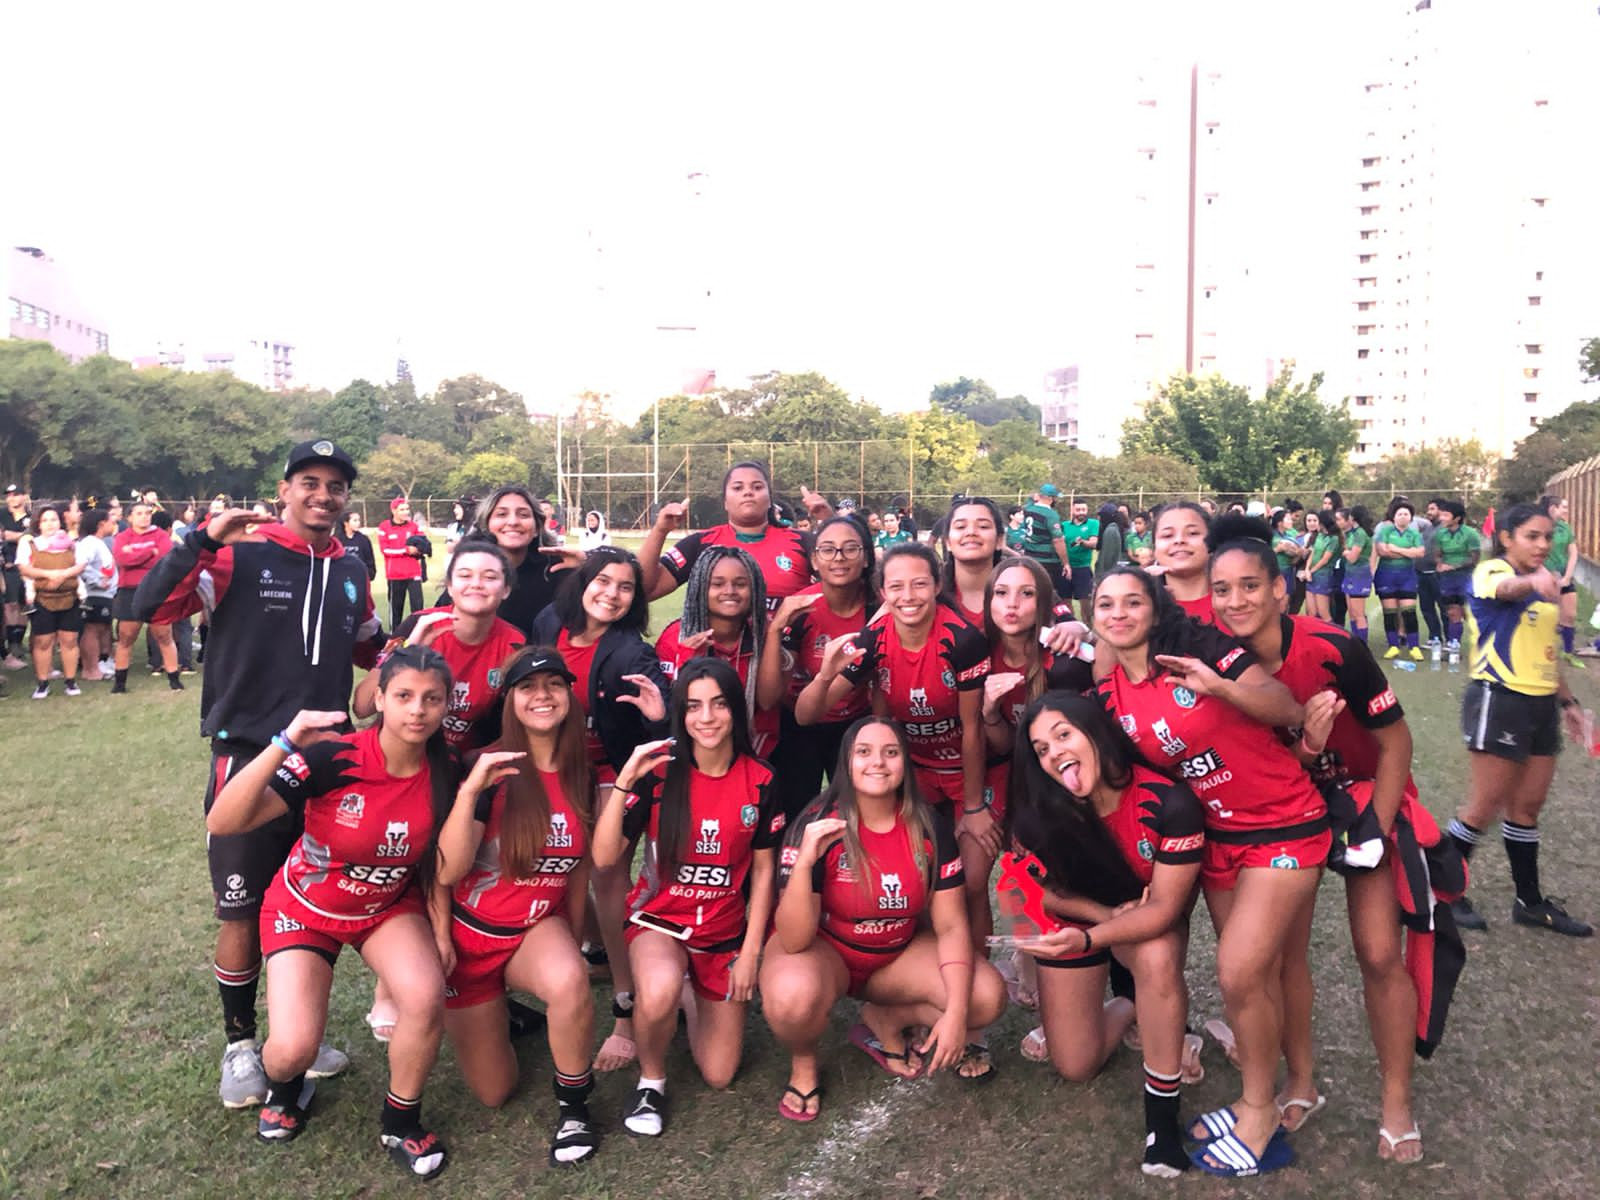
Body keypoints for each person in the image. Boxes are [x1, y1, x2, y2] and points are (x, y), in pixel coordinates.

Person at [134, 439, 380, 1108]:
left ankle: (296, 1032)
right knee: (241, 904)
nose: (322, 494)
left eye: (335, 485)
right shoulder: (236, 554)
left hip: (329, 761)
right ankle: (240, 1044)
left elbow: (368, 646)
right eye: (310, 481)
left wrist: (424, 645)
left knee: (314, 897)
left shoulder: (353, 565)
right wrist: (198, 539)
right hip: (250, 753)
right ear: (284, 488)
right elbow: (148, 608)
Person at [1209, 517, 1460, 1165]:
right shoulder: (1216, 659)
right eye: (1222, 589)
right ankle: (1300, 1082)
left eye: (1249, 586)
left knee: (1378, 952)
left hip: (1362, 798)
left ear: (1280, 591)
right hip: (1287, 812)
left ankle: (1396, 1102)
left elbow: (1396, 739)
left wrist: (1373, 823)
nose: (1235, 601)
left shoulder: (1332, 647)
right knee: (1282, 959)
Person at [1091, 567, 1322, 1177]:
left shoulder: (1200, 646)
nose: (1119, 613)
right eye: (1106, 604)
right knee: (1255, 977)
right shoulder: (1110, 692)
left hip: (1282, 821)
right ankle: (1261, 1097)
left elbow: (1285, 704)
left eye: (1132, 601)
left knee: (1239, 970)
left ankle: (1258, 1108)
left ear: (1155, 606)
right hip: (1218, 839)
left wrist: (1220, 688)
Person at [205, 647, 459, 1179]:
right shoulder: (335, 757)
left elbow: (437, 863)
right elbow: (225, 820)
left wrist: (440, 932)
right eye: (405, 696)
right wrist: (283, 744)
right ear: (380, 700)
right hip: (305, 907)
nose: (417, 711)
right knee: (290, 1049)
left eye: (431, 699)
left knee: (425, 992)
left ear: (446, 705)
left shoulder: (447, 770)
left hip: (385, 907)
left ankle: (400, 1119)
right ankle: (288, 1087)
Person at [762, 717, 1008, 1117]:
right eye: (864, 752)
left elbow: (950, 925)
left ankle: (886, 1017)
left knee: (986, 997)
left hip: (897, 956)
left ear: (904, 763)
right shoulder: (816, 822)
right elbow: (793, 940)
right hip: (827, 955)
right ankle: (804, 1062)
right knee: (792, 997)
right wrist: (806, 861)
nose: (877, 762)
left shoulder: (929, 826)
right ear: (846, 763)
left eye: (890, 752)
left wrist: (958, 1014)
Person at [1009, 693, 1205, 1178]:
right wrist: (1100, 920)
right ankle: (1135, 1005)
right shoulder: (1039, 810)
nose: (1054, 754)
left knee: (1157, 956)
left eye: (1063, 735)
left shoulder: (1169, 802)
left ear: (1094, 731)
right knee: (1075, 1065)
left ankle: (1161, 1124)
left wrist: (1102, 933)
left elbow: (1163, 909)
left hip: (1144, 922)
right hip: (1083, 919)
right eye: (1040, 749)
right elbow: (1037, 891)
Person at [590, 658, 785, 1137]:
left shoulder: (761, 780)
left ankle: (689, 990)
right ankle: (650, 1080)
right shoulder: (660, 773)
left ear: (735, 711)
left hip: (721, 934)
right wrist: (624, 781)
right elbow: (603, 855)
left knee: (719, 1074)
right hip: (660, 921)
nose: (707, 717)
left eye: (719, 704)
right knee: (654, 989)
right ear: (681, 713)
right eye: (694, 706)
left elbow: (763, 874)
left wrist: (751, 953)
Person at [433, 646, 600, 1165]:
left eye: (554, 684)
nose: (542, 696)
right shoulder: (484, 768)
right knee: (494, 1091)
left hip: (534, 927)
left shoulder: (582, 771)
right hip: (471, 937)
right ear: (510, 699)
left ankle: (574, 1109)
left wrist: (572, 943)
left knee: (570, 979)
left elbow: (576, 873)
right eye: (528, 686)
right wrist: (470, 794)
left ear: (569, 696)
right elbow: (444, 872)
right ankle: (500, 1009)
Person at [531, 547, 669, 1072]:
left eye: (625, 587)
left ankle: (626, 1008)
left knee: (606, 874)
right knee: (557, 873)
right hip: (557, 767)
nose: (611, 594)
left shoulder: (633, 653)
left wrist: (660, 721)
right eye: (602, 581)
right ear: (582, 582)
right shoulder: (550, 623)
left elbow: (666, 725)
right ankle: (587, 958)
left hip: (616, 772)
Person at [1448, 503, 1592, 937]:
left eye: (1548, 537)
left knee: (1527, 807)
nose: (1544, 545)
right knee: (1483, 807)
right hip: (1500, 699)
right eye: (1533, 536)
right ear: (1507, 537)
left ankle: (1529, 903)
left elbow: (1547, 653)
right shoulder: (1491, 572)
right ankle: (1442, 894)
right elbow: (1507, 589)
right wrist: (1533, 581)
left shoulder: (1544, 587)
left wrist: (1568, 705)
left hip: (1540, 706)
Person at [797, 542, 989, 814]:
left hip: (962, 767)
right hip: (910, 769)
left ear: (937, 586)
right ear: (883, 592)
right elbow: (805, 715)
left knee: (970, 847)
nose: (908, 596)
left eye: (920, 584)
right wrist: (825, 675)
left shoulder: (963, 640)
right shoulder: (873, 638)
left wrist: (973, 808)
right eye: (896, 587)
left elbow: (974, 729)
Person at [974, 556, 1094, 945]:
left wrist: (1083, 629)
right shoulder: (977, 652)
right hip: (1007, 768)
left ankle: (1066, 941)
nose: (1011, 605)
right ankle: (1024, 953)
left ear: (1043, 603)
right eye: (1002, 594)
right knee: (1009, 864)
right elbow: (1006, 745)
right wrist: (990, 713)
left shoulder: (1064, 658)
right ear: (988, 601)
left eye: (1026, 595)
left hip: (1059, 774)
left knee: (1052, 859)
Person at [355, 537, 525, 760]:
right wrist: (406, 651)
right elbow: (363, 707)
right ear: (450, 587)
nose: (476, 584)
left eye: (490, 577)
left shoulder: (514, 644)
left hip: (452, 765)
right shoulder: (420, 625)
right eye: (465, 575)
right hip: (392, 757)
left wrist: (478, 756)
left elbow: (518, 725)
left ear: (506, 590)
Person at [757, 514, 875, 819]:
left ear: (866, 557)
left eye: (850, 548)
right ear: (814, 559)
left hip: (855, 721)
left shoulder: (879, 605)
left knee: (860, 814)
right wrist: (775, 630)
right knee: (796, 814)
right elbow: (770, 697)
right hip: (799, 723)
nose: (839, 558)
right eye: (828, 549)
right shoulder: (799, 608)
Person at [638, 462, 823, 610]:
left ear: (770, 500)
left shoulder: (803, 542)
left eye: (757, 487)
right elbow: (644, 591)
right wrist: (660, 531)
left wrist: (827, 519)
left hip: (788, 655)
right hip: (718, 655)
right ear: (725, 502)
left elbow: (848, 584)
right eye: (737, 488)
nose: (748, 492)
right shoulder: (701, 544)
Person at [653, 545, 776, 757]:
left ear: (754, 589)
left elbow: (768, 704)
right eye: (717, 584)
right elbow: (666, 710)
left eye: (740, 584)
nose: (730, 591)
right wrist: (687, 661)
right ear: (700, 588)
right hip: (693, 755)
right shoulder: (675, 638)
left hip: (756, 754)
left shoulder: (765, 637)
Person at [474, 485, 568, 638]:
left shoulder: (557, 570)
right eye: (502, 514)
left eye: (523, 515)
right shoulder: (469, 570)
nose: (513, 522)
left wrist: (583, 567)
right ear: (487, 524)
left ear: (537, 527)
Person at [112, 500, 182, 692]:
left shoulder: (160, 535)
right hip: (130, 591)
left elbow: (164, 559)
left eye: (147, 513)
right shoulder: (122, 536)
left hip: (155, 589)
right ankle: (120, 683)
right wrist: (148, 552)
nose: (144, 516)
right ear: (130, 517)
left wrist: (136, 553)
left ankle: (174, 679)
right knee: (126, 636)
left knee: (164, 635)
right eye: (139, 513)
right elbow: (122, 559)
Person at [17, 505, 86, 698]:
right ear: (38, 524)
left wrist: (63, 574)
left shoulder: (71, 542)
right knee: (43, 641)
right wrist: (48, 575)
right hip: (41, 598)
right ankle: (42, 682)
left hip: (70, 596)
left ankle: (70, 681)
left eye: (53, 519)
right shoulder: (30, 543)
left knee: (69, 640)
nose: (50, 524)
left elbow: (80, 564)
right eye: (45, 520)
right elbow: (24, 568)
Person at [940, 496, 1008, 627]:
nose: (971, 532)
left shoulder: (1025, 586)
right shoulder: (930, 592)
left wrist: (1061, 626)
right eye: (960, 527)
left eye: (983, 526)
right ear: (947, 542)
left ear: (999, 540)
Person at [1373, 500, 1425, 661]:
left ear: (1411, 517)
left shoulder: (1415, 534)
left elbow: (1420, 553)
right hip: (1386, 576)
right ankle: (1393, 646)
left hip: (1407, 577)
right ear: (1394, 517)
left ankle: (1414, 646)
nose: (1403, 516)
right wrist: (1408, 551)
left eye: (1406, 514)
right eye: (1400, 513)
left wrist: (1395, 549)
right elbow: (1382, 551)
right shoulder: (1385, 531)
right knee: (1390, 613)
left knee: (1409, 612)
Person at [1150, 501, 1213, 623]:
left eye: (1192, 533)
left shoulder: (1235, 604)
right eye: (1168, 535)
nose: (1179, 540)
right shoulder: (1140, 608)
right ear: (1154, 547)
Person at [1538, 494, 1581, 665]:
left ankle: (1568, 652)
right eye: (1563, 506)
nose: (1566, 510)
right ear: (1552, 508)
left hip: (1564, 577)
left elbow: (1573, 553)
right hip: (1543, 578)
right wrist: (1547, 575)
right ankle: (1540, 651)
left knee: (1569, 615)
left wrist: (1567, 576)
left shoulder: (1564, 527)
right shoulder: (1539, 527)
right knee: (1544, 616)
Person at [1432, 501, 1479, 653]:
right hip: (1447, 579)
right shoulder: (1440, 534)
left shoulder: (1470, 534)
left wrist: (1454, 566)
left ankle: (1482, 642)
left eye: (1446, 515)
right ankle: (1454, 646)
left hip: (1465, 578)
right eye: (1442, 515)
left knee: (1470, 613)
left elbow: (1474, 559)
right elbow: (1437, 555)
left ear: (1457, 518)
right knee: (1452, 612)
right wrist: (1439, 564)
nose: (1442, 518)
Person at [76, 507, 117, 679]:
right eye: (110, 520)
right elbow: (81, 566)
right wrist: (97, 581)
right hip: (94, 594)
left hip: (105, 595)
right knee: (92, 629)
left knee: (104, 627)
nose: (113, 523)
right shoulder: (89, 544)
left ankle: (104, 661)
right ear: (101, 524)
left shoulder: (99, 543)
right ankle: (90, 668)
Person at [379, 496, 426, 629]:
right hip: (395, 575)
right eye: (402, 509)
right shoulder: (384, 527)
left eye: (407, 509)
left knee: (418, 609)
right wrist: (406, 550)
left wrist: (420, 549)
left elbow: (423, 544)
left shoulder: (414, 526)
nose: (406, 512)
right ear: (394, 511)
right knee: (395, 612)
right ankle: (394, 641)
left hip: (414, 573)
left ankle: (418, 638)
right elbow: (385, 550)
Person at [1018, 483, 1070, 603]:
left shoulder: (1028, 509)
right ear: (1051, 499)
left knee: (1031, 592)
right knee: (1048, 594)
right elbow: (1058, 540)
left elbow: (1030, 499)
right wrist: (1066, 563)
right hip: (1047, 561)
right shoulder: (1050, 514)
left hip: (1029, 557)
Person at [1336, 507, 1374, 645]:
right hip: (1350, 573)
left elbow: (1352, 557)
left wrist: (1346, 553)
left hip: (1359, 574)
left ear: (1353, 518)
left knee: (1358, 613)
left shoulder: (1360, 534)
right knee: (1352, 612)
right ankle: (1355, 642)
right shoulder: (1352, 533)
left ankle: (1363, 644)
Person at [2, 484, 30, 669]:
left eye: (16, 494)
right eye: (9, 495)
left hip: (26, 565)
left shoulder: (30, 517)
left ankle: (17, 644)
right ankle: (10, 647)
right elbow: (3, 535)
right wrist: (22, 535)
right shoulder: (2, 514)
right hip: (7, 567)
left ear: (24, 496)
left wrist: (16, 536)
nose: (12, 498)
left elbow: (33, 536)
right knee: (10, 605)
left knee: (23, 605)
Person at [1061, 498, 1101, 620]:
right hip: (1065, 568)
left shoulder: (1093, 524)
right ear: (1072, 510)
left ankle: (1087, 628)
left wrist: (1083, 542)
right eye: (1078, 510)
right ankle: (1072, 625)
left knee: (1085, 603)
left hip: (1082, 568)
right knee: (1065, 601)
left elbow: (1094, 543)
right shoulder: (1064, 525)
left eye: (1083, 509)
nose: (1081, 512)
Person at [1298, 510, 1339, 624]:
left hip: (1323, 576)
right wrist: (1307, 570)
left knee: (1323, 613)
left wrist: (1311, 571)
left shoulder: (1333, 539)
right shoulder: (1319, 535)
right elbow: (1313, 553)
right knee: (1311, 613)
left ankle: (1333, 638)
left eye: (1317, 521)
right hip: (1311, 575)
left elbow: (1325, 559)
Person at [1271, 508, 1305, 615]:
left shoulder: (1290, 537)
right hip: (1274, 573)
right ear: (1280, 522)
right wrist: (1277, 550)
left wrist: (1299, 554)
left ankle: (1282, 629)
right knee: (1274, 604)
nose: (1291, 521)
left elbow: (1293, 562)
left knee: (1284, 604)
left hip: (1288, 572)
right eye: (1288, 519)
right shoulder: (1270, 536)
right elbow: (1263, 555)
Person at [341, 510, 378, 583]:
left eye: (358, 520)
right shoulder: (338, 540)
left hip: (360, 579)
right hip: (342, 579)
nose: (358, 523)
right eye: (355, 520)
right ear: (346, 523)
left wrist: (368, 575)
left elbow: (370, 561)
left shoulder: (363, 539)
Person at [1095, 503, 1127, 577]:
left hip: (1108, 575)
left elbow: (1107, 559)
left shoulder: (1111, 530)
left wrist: (1100, 576)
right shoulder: (1114, 528)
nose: (1099, 518)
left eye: (1101, 516)